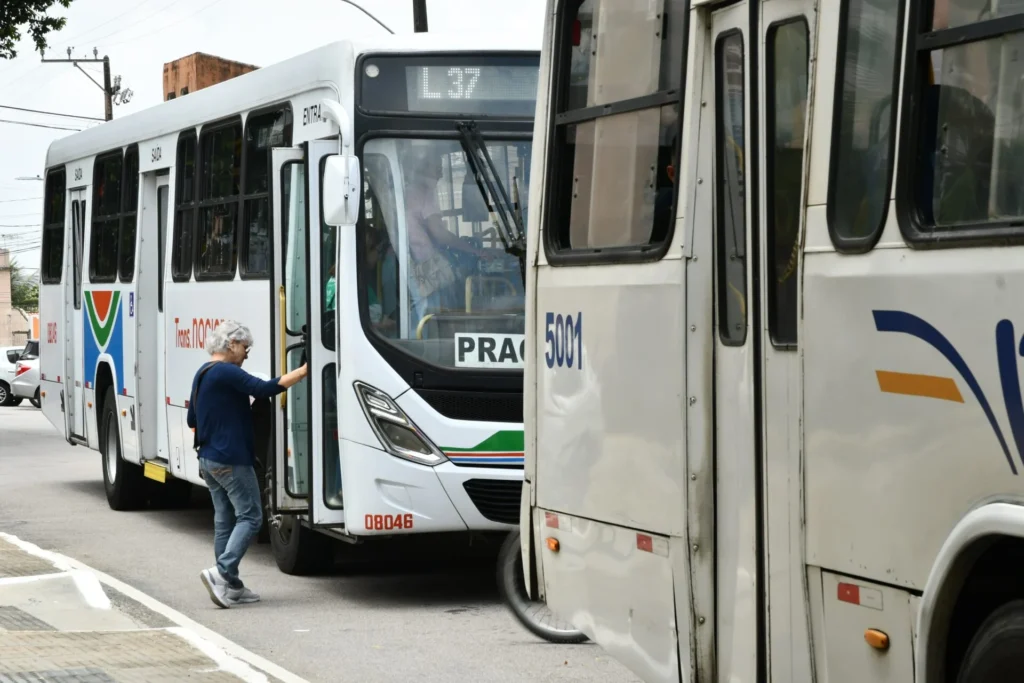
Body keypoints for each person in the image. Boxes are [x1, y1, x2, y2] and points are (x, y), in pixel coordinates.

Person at [186, 320, 308, 608]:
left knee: (224, 521)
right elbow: (265, 388)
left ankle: (232, 587)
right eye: (245, 346)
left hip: (208, 458)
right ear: (231, 344)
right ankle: (222, 571)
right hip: (231, 459)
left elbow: (192, 420)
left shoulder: (202, 373)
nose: (247, 353)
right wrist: (304, 370)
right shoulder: (227, 372)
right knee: (252, 516)